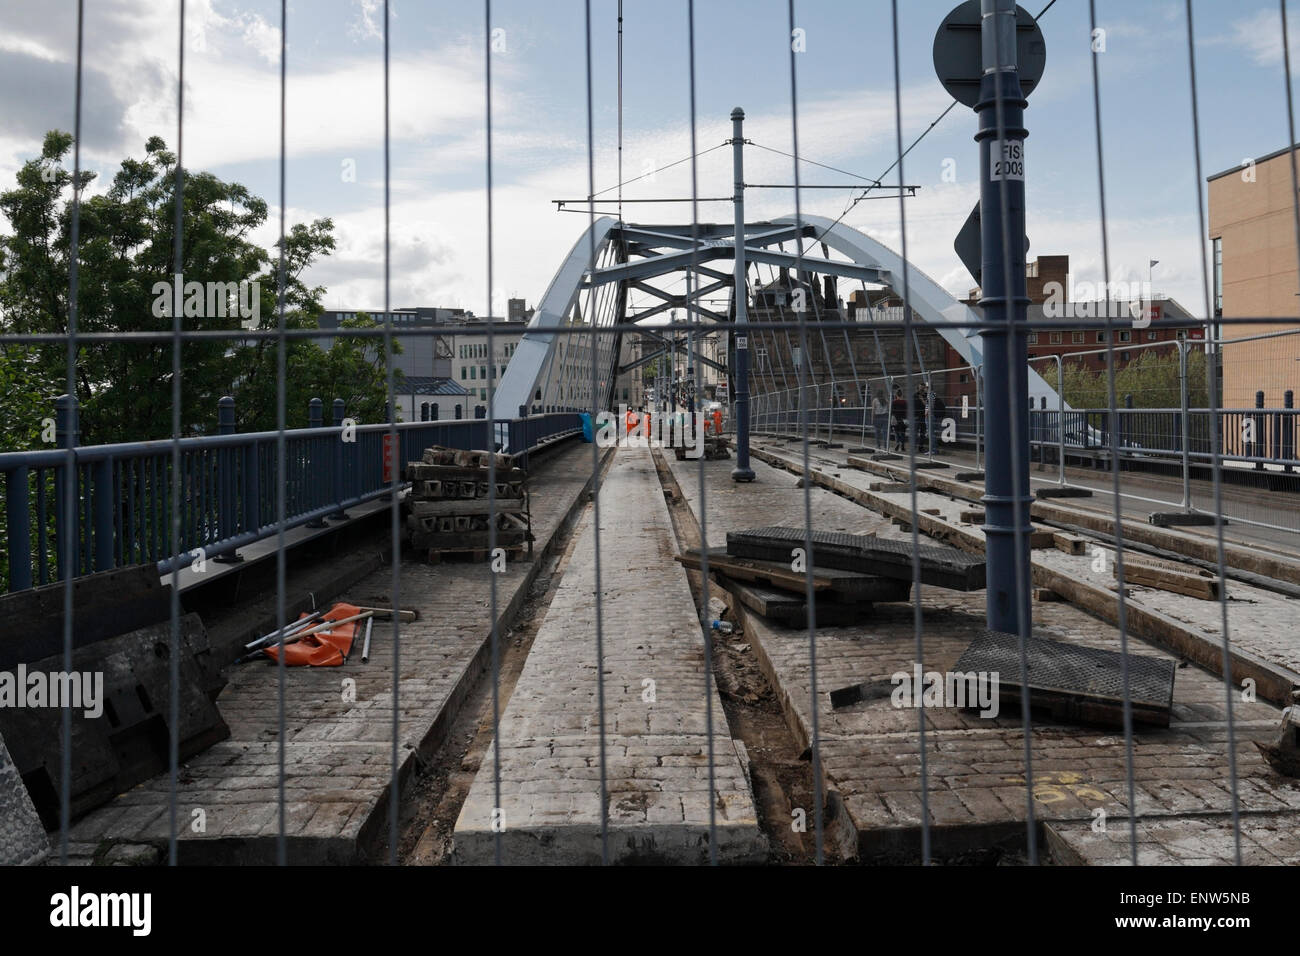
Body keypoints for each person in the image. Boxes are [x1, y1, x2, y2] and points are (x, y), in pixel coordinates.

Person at [890, 385, 908, 451]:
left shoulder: (894, 402)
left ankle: (897, 443)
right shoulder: (905, 402)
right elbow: (907, 411)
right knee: (903, 433)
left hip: (896, 419)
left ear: (896, 395)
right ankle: (902, 445)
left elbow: (892, 411)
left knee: (897, 433)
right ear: (901, 395)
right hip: (903, 419)